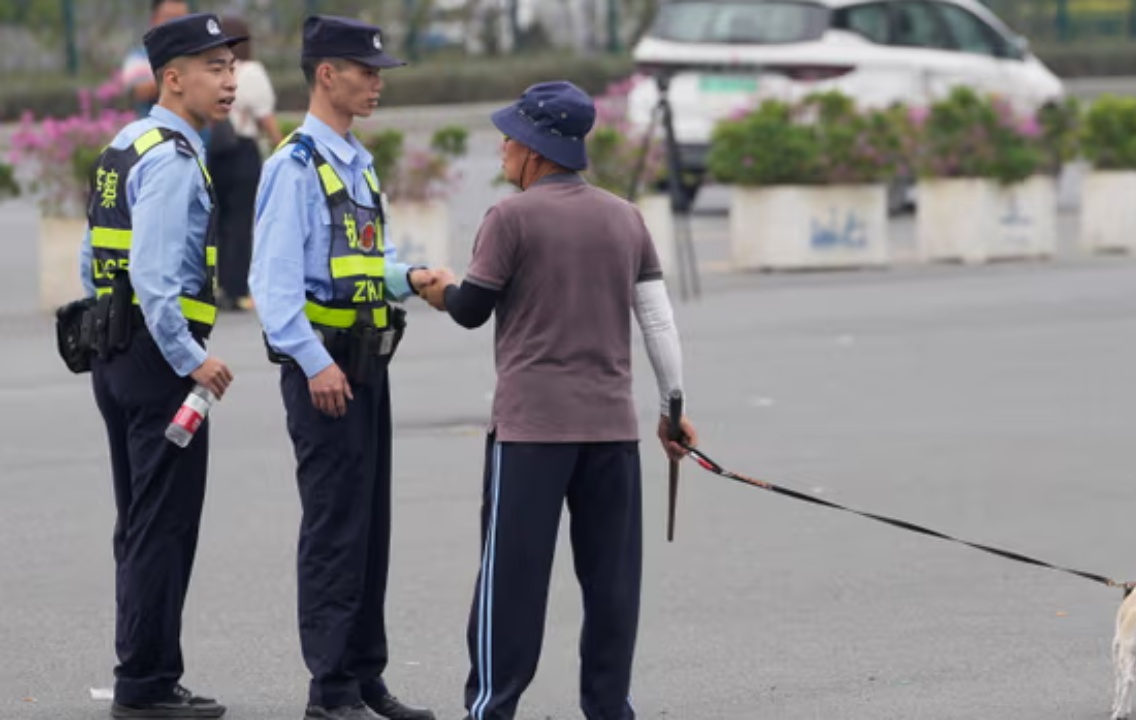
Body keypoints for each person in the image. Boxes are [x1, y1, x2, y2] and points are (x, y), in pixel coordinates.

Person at [420, 80, 699, 720]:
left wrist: (435, 288)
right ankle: (608, 708)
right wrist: (671, 409)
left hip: (531, 434)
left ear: (536, 150)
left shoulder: (508, 218)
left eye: (509, 139)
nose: (501, 150)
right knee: (611, 585)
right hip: (611, 433)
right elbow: (658, 323)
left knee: (510, 585)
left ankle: (491, 707)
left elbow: (470, 310)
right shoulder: (625, 217)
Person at [248, 15, 437, 720]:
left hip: (365, 367)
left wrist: (408, 277)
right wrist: (311, 362)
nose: (377, 82)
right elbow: (272, 288)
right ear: (326, 73)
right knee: (334, 528)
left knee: (368, 527)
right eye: (367, 70)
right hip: (324, 372)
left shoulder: (353, 161)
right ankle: (329, 691)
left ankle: (363, 677)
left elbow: (352, 265)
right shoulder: (292, 166)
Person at [78, 12, 242, 720]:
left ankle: (145, 673)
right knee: (162, 525)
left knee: (140, 519)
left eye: (232, 65)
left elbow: (94, 258)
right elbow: (154, 275)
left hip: (113, 352)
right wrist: (192, 359)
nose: (230, 79)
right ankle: (145, 684)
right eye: (214, 68)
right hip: (156, 361)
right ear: (173, 79)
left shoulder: (125, 143)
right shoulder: (172, 158)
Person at [207, 15, 282, 311]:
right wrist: (284, 147)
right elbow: (265, 118)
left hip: (215, 151)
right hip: (242, 150)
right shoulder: (251, 71)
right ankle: (237, 289)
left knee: (219, 221)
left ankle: (219, 285)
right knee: (240, 222)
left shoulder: (213, 71)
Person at [119, 0, 191, 117]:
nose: (176, 25)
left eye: (182, 19)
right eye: (169, 17)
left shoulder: (198, 54)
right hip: (155, 132)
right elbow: (141, 91)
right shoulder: (140, 58)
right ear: (154, 20)